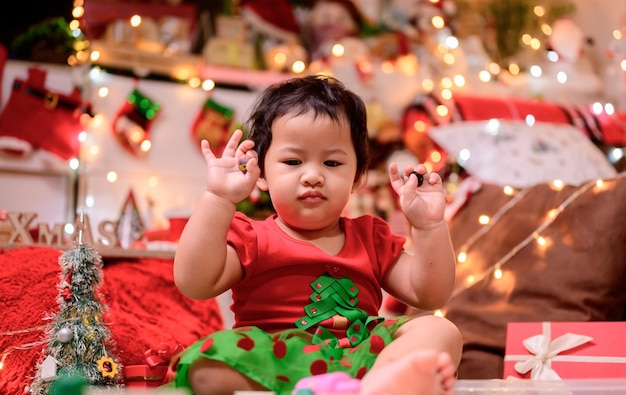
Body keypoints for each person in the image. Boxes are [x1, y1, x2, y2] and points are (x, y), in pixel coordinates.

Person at [167, 74, 462, 395]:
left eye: (332, 162)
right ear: (261, 174)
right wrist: (218, 198)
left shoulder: (370, 236)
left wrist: (430, 227)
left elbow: (429, 295)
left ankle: (380, 385)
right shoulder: (251, 235)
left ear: (357, 177)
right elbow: (194, 283)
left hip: (361, 355)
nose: (312, 176)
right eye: (293, 161)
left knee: (440, 330)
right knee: (207, 367)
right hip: (274, 361)